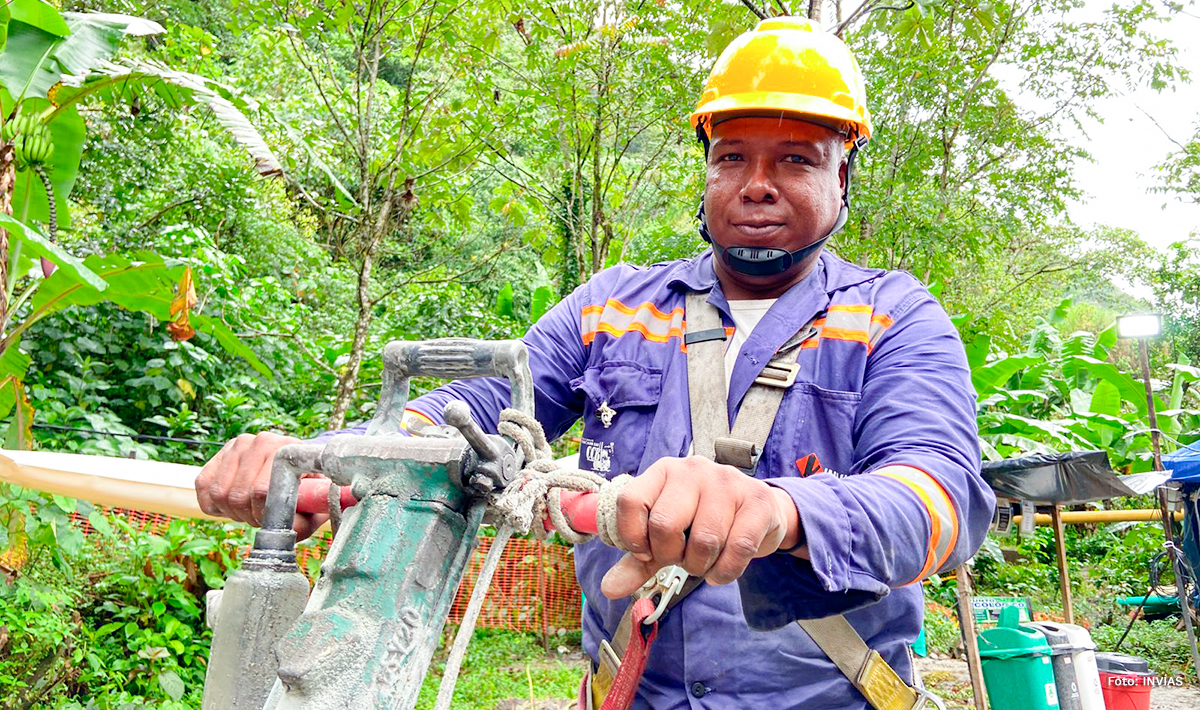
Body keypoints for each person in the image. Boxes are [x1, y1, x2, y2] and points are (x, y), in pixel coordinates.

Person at [196, 17, 994, 709]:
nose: (756, 185)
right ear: (706, 169)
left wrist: (779, 513)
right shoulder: (614, 306)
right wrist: (331, 460)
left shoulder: (895, 317)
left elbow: (941, 498)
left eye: (795, 160)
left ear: (843, 175)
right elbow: (484, 409)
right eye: (731, 158)